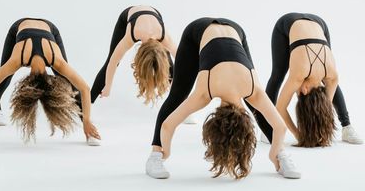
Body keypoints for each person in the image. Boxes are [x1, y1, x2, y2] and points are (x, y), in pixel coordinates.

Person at [145, 17, 300, 180]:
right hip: (199, 31)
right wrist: (273, 153)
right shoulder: (206, 93)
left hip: (235, 30)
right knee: (178, 95)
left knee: (258, 108)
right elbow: (168, 126)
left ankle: (282, 156)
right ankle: (155, 156)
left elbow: (280, 128)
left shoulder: (251, 89)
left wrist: (167, 151)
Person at [0, 18, 101, 146]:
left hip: (49, 30)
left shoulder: (32, 59)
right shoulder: (43, 60)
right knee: (3, 82)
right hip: (19, 28)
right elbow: (84, 88)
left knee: (69, 84)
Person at [256, 12, 362, 147]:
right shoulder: (300, 75)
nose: (296, 91)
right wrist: (297, 134)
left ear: (304, 90)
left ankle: (347, 128)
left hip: (320, 23)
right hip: (287, 23)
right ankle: (268, 128)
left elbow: (325, 109)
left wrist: (318, 129)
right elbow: (280, 108)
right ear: (305, 90)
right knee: (278, 75)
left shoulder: (332, 76)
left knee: (329, 82)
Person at [90, 6, 177, 105]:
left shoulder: (163, 36)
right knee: (111, 58)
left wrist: (176, 88)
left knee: (167, 62)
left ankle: (180, 104)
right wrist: (107, 87)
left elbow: (182, 61)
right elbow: (113, 62)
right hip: (129, 16)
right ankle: (86, 104)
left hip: (153, 15)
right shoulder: (131, 35)